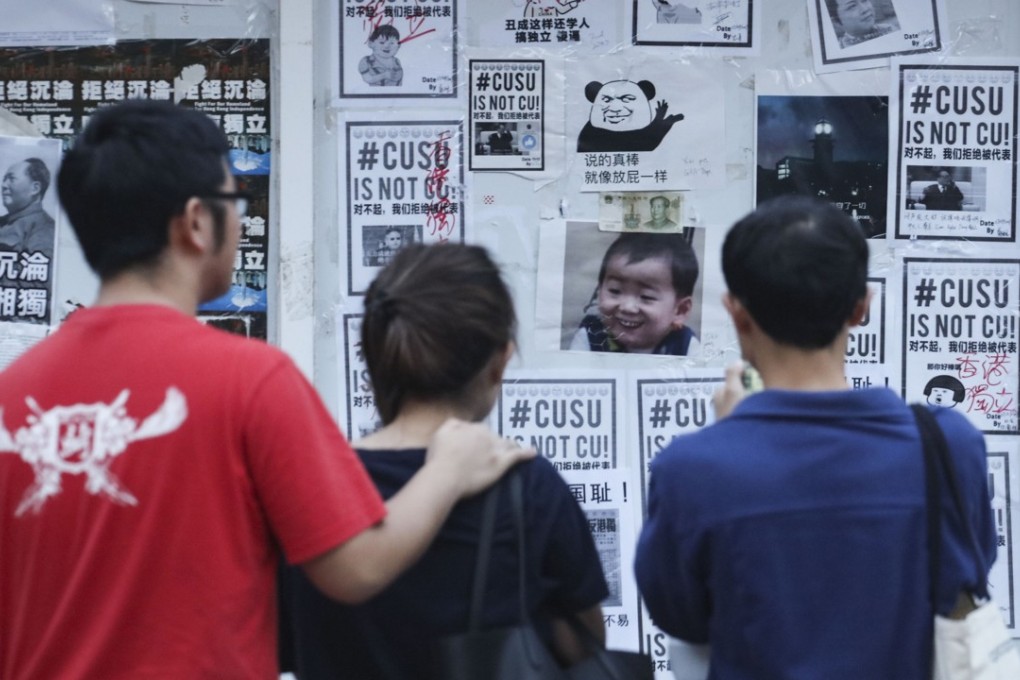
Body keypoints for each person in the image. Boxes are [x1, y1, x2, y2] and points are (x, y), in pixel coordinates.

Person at [0, 100, 533, 679]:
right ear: (197, 222)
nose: (244, 219)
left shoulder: (13, 393)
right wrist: (450, 466)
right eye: (238, 201)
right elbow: (356, 567)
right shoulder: (250, 380)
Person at [635, 195, 995, 679]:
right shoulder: (948, 443)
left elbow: (679, 615)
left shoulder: (691, 468)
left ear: (736, 313)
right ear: (862, 307)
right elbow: (967, 574)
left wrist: (729, 440)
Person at [281, 242, 608, 679]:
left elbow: (284, 643)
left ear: (377, 358)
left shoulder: (307, 488)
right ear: (500, 360)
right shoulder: (527, 483)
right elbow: (582, 644)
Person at [569, 232, 699, 355]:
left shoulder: (686, 347)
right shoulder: (590, 336)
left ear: (680, 310)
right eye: (615, 290)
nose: (627, 307)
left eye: (646, 296)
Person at [0, 157, 55, 258]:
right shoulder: (2, 222)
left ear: (35, 188)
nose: (3, 185)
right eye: (4, 179)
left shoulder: (44, 229)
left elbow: (37, 270)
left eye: (11, 179)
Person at [824, 0, 899, 47]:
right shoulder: (841, 48)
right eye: (852, 6)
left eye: (864, 0)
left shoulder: (891, 29)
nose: (865, 9)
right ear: (836, 21)